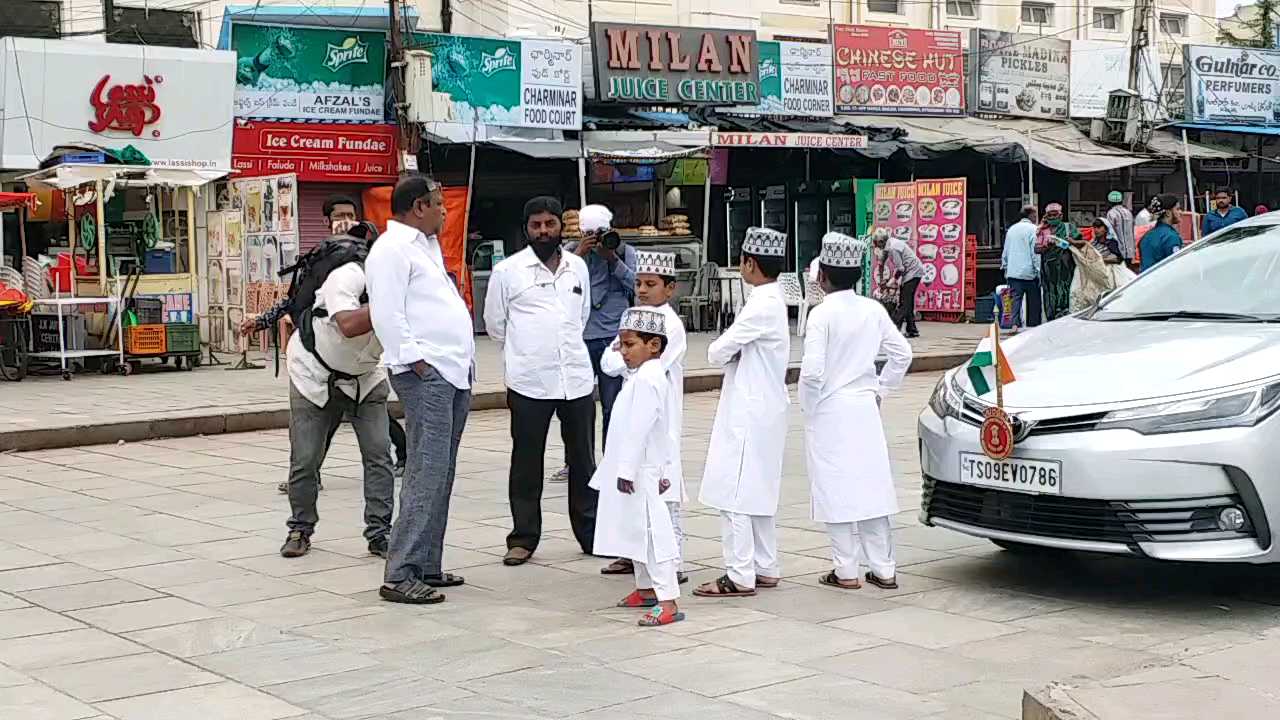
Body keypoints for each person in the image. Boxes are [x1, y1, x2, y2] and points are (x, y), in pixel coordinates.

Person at [243, 204, 409, 492]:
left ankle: (396, 457)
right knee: (335, 419)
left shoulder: (367, 259)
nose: (344, 221)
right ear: (327, 221)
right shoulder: (326, 263)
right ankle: (311, 475)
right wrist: (262, 321)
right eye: (337, 217)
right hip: (322, 359)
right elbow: (295, 301)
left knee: (369, 420)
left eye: (348, 215)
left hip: (360, 362)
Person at [366, 175, 476, 605]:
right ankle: (400, 572)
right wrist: (415, 359)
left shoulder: (426, 248)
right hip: (426, 373)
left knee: (442, 470)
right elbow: (387, 313)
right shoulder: (391, 250)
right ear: (417, 208)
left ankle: (428, 562)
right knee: (425, 470)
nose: (444, 211)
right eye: (437, 204)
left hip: (453, 370)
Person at [259, 224, 395, 560]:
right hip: (313, 373)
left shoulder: (405, 288)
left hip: (365, 375)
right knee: (305, 459)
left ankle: (380, 533)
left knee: (379, 455)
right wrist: (397, 306)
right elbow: (348, 325)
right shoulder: (348, 276)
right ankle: (300, 528)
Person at [484, 196, 597, 566]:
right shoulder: (508, 272)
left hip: (576, 380)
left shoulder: (578, 267)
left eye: (550, 224)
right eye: (537, 225)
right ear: (526, 229)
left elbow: (580, 318)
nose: (544, 231)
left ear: (561, 227)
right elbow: (495, 326)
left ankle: (591, 533)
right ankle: (523, 538)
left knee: (583, 460)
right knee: (527, 461)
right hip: (530, 381)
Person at [800, 233, 912, 591]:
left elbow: (812, 372)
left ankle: (846, 570)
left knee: (835, 489)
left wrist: (808, 407)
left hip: (831, 408)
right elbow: (902, 354)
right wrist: (882, 389)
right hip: (864, 406)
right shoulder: (873, 309)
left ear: (822, 276)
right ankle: (884, 569)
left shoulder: (821, 315)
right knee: (872, 487)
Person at [694, 227, 790, 599]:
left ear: (749, 263)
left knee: (734, 492)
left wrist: (726, 350)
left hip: (750, 409)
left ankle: (739, 574)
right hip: (765, 406)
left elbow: (718, 350)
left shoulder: (760, 303)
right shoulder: (775, 298)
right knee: (759, 490)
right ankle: (765, 566)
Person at [598, 251, 687, 583]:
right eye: (638, 283)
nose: (643, 290)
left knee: (664, 491)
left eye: (651, 284)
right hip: (630, 410)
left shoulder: (670, 326)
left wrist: (624, 357)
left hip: (659, 417)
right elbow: (609, 363)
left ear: (669, 288)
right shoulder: (634, 318)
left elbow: (650, 365)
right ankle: (634, 553)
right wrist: (624, 355)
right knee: (632, 488)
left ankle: (671, 563)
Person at [591, 307, 684, 627]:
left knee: (652, 533)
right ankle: (645, 588)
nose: (623, 352)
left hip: (641, 471)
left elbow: (640, 428)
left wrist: (628, 470)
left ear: (654, 345)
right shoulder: (641, 376)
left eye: (629, 345)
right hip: (633, 470)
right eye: (621, 345)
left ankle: (668, 598)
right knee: (635, 531)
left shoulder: (649, 379)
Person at [550, 204, 637, 483]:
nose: (596, 237)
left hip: (613, 336)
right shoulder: (571, 253)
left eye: (600, 232)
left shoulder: (624, 251)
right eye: (590, 232)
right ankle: (575, 461)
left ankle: (611, 460)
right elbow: (555, 287)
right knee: (576, 405)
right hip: (581, 337)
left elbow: (638, 286)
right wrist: (579, 254)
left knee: (613, 404)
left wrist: (612, 258)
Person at [872, 228, 923, 338]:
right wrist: (881, 281)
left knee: (904, 302)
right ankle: (912, 329)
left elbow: (900, 268)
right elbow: (881, 264)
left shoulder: (893, 248)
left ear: (881, 241)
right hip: (909, 272)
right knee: (907, 301)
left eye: (876, 243)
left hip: (913, 272)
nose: (875, 245)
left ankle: (893, 329)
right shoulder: (887, 246)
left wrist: (891, 281)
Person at [1001, 205, 1042, 331]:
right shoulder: (1033, 230)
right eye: (1035, 215)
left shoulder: (1011, 230)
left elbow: (1006, 251)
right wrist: (1038, 270)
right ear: (1030, 216)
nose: (1036, 218)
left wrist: (1006, 267)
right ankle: (1033, 326)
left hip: (1013, 273)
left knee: (1015, 301)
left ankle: (1014, 325)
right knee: (1033, 302)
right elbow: (1034, 253)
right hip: (1029, 273)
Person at [1036, 203, 1078, 321]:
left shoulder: (1068, 227)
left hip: (1066, 267)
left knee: (1065, 290)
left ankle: (1066, 314)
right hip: (1049, 268)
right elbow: (1036, 249)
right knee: (1050, 292)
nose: (1053, 218)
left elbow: (1080, 243)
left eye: (1055, 215)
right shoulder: (1042, 231)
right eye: (1050, 215)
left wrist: (1069, 242)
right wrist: (1047, 246)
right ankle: (1051, 316)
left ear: (1061, 215)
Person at [1140, 194, 1185, 272]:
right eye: (1177, 209)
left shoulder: (1146, 236)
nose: (1181, 212)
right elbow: (1176, 267)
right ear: (1168, 213)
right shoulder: (1170, 237)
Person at [1105, 191, 1136, 264]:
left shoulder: (1111, 213)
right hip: (1130, 251)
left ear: (1109, 202)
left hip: (1118, 251)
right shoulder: (1128, 212)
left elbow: (1110, 233)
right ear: (1121, 201)